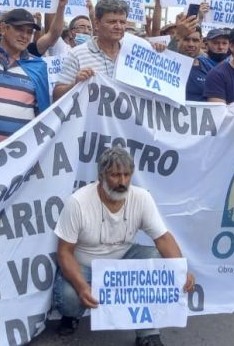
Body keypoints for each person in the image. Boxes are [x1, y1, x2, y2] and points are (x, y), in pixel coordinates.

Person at [53, 146, 194, 346]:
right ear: (101, 175)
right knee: (69, 297)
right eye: (115, 175)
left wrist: (181, 270)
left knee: (156, 258)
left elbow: (163, 238)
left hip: (122, 263)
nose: (122, 182)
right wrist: (82, 287)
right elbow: (64, 252)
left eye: (127, 175)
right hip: (85, 266)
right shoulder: (78, 202)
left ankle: (148, 332)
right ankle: (72, 315)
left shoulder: (142, 198)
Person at [0, 8, 50, 151]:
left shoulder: (37, 66)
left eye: (29, 32)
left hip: (19, 159)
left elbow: (42, 114)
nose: (25, 36)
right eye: (19, 29)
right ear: (3, 28)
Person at [54, 0, 129, 101]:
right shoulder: (77, 54)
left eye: (122, 22)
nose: (118, 26)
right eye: (112, 22)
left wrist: (157, 51)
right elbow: (56, 96)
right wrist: (75, 84)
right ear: (97, 23)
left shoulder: (132, 54)